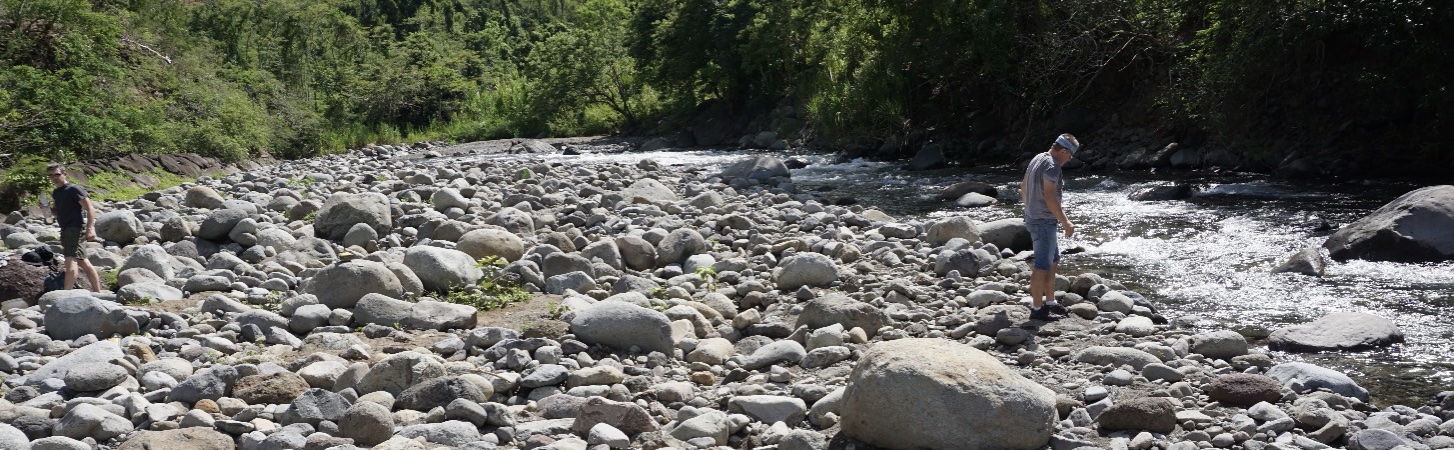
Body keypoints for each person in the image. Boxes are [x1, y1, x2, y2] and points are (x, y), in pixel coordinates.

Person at [1021, 134, 1080, 320]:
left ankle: (1051, 301)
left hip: (1035, 218)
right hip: (1043, 222)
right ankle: (1038, 309)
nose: (1068, 159)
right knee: (1042, 265)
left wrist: (1029, 208)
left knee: (1053, 260)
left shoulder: (1038, 158)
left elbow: (1023, 186)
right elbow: (1049, 196)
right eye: (1069, 156)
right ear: (1063, 151)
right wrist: (1065, 222)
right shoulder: (1052, 166)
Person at [47, 163, 102, 292]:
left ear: (64, 174)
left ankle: (67, 294)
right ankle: (98, 292)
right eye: (51, 175)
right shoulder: (56, 192)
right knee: (83, 261)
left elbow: (89, 208)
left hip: (75, 228)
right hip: (66, 229)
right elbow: (57, 212)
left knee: (70, 260)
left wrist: (90, 228)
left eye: (57, 174)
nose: (54, 177)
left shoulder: (73, 189)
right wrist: (46, 209)